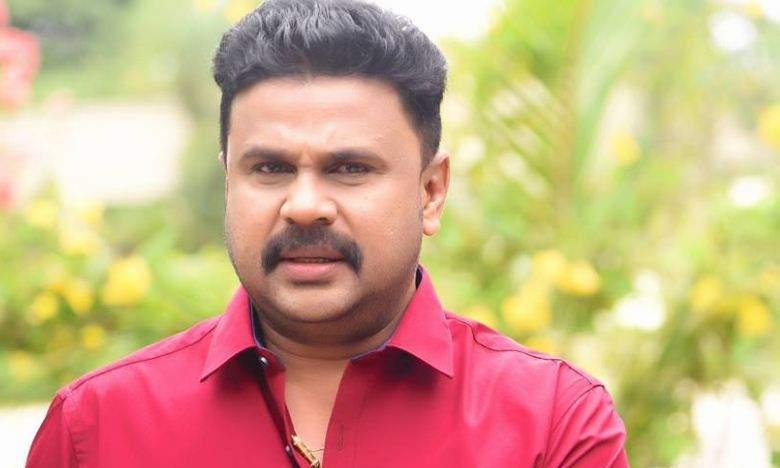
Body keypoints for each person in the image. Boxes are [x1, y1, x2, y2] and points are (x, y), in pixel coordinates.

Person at [27, 0, 629, 466]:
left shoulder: (551, 423)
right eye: (270, 169)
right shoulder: (99, 428)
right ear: (229, 183)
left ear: (430, 191)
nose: (305, 206)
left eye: (350, 169)